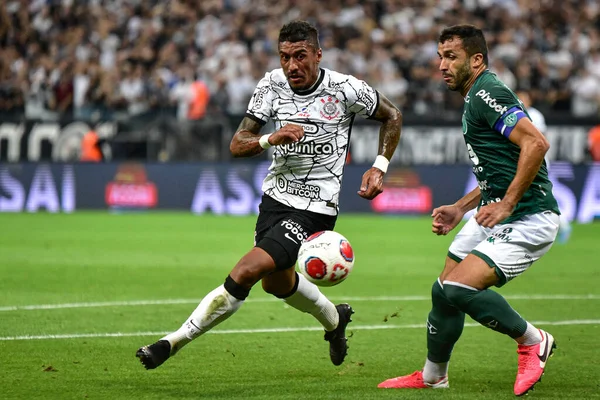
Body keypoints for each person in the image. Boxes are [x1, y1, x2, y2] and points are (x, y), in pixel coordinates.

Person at [136, 20, 402, 369]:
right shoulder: (271, 85)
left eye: (300, 56)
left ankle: (171, 342)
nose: (292, 65)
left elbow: (392, 115)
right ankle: (335, 321)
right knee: (277, 284)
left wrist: (379, 166)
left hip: (316, 208)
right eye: (284, 57)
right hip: (275, 200)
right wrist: (268, 139)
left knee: (247, 270)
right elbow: (237, 143)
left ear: (318, 55)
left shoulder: (345, 89)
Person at [377, 25, 560, 396]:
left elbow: (537, 143)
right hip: (496, 212)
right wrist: (461, 206)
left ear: (476, 60)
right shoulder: (474, 95)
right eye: (440, 56)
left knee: (460, 288)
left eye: (451, 57)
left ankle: (532, 340)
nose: (442, 64)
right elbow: (501, 169)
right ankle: (433, 376)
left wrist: (507, 203)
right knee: (443, 291)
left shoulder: (487, 92)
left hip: (529, 217)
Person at [516, 89, 572, 244]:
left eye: (523, 97)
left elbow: (539, 140)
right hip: (523, 161)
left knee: (541, 193)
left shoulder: (534, 115)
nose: (520, 100)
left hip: (537, 161)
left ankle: (562, 224)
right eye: (518, 97)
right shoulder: (513, 114)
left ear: (529, 100)